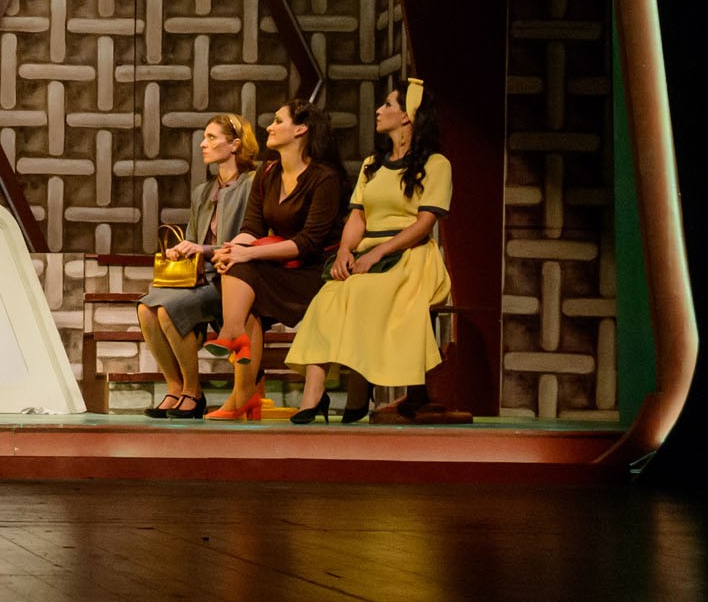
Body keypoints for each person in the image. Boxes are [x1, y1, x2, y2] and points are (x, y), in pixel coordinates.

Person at [287, 78, 464, 424]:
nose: (379, 111)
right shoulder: (373, 164)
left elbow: (424, 224)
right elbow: (358, 216)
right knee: (328, 299)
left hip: (411, 255)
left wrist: (378, 253)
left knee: (365, 293)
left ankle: (359, 393)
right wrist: (345, 251)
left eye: (388, 105)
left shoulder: (436, 164)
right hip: (368, 254)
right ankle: (313, 398)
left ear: (408, 115)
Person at [201, 99, 342, 421]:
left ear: (301, 129)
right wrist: (231, 249)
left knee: (243, 267)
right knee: (237, 267)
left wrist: (248, 252)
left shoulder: (324, 178)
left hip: (312, 272)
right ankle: (240, 389)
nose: (270, 126)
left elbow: (308, 243)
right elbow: (251, 227)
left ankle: (232, 338)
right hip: (278, 265)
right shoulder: (268, 172)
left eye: (279, 121)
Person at [135, 113, 259, 419]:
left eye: (212, 137)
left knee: (169, 309)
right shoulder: (202, 192)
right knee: (146, 308)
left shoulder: (253, 185)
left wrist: (203, 249)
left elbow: (250, 240)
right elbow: (192, 237)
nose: (203, 144)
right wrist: (181, 250)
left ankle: (194, 392)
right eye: (204, 137)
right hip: (200, 276)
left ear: (235, 145)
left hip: (232, 278)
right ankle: (175, 387)